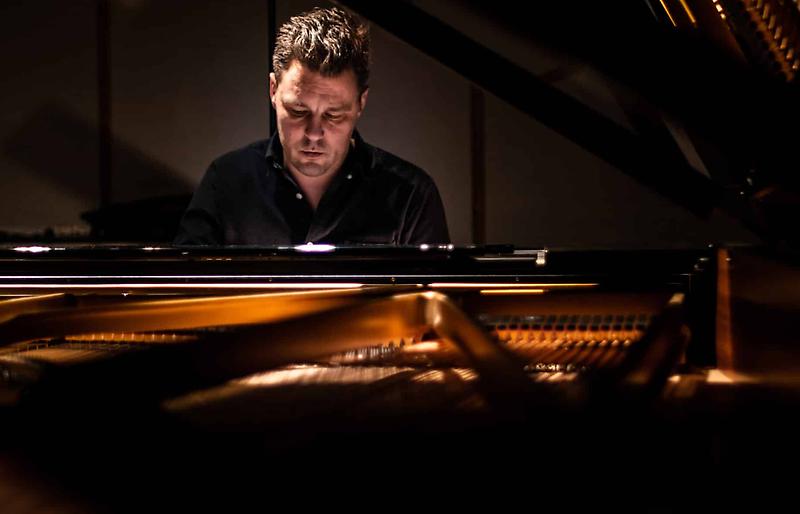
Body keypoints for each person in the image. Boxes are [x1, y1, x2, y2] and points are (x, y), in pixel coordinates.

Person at [175, 6, 449, 246]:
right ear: (273, 90)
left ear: (361, 103)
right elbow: (184, 284)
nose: (314, 134)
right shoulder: (226, 181)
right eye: (298, 111)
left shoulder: (411, 195)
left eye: (333, 115)